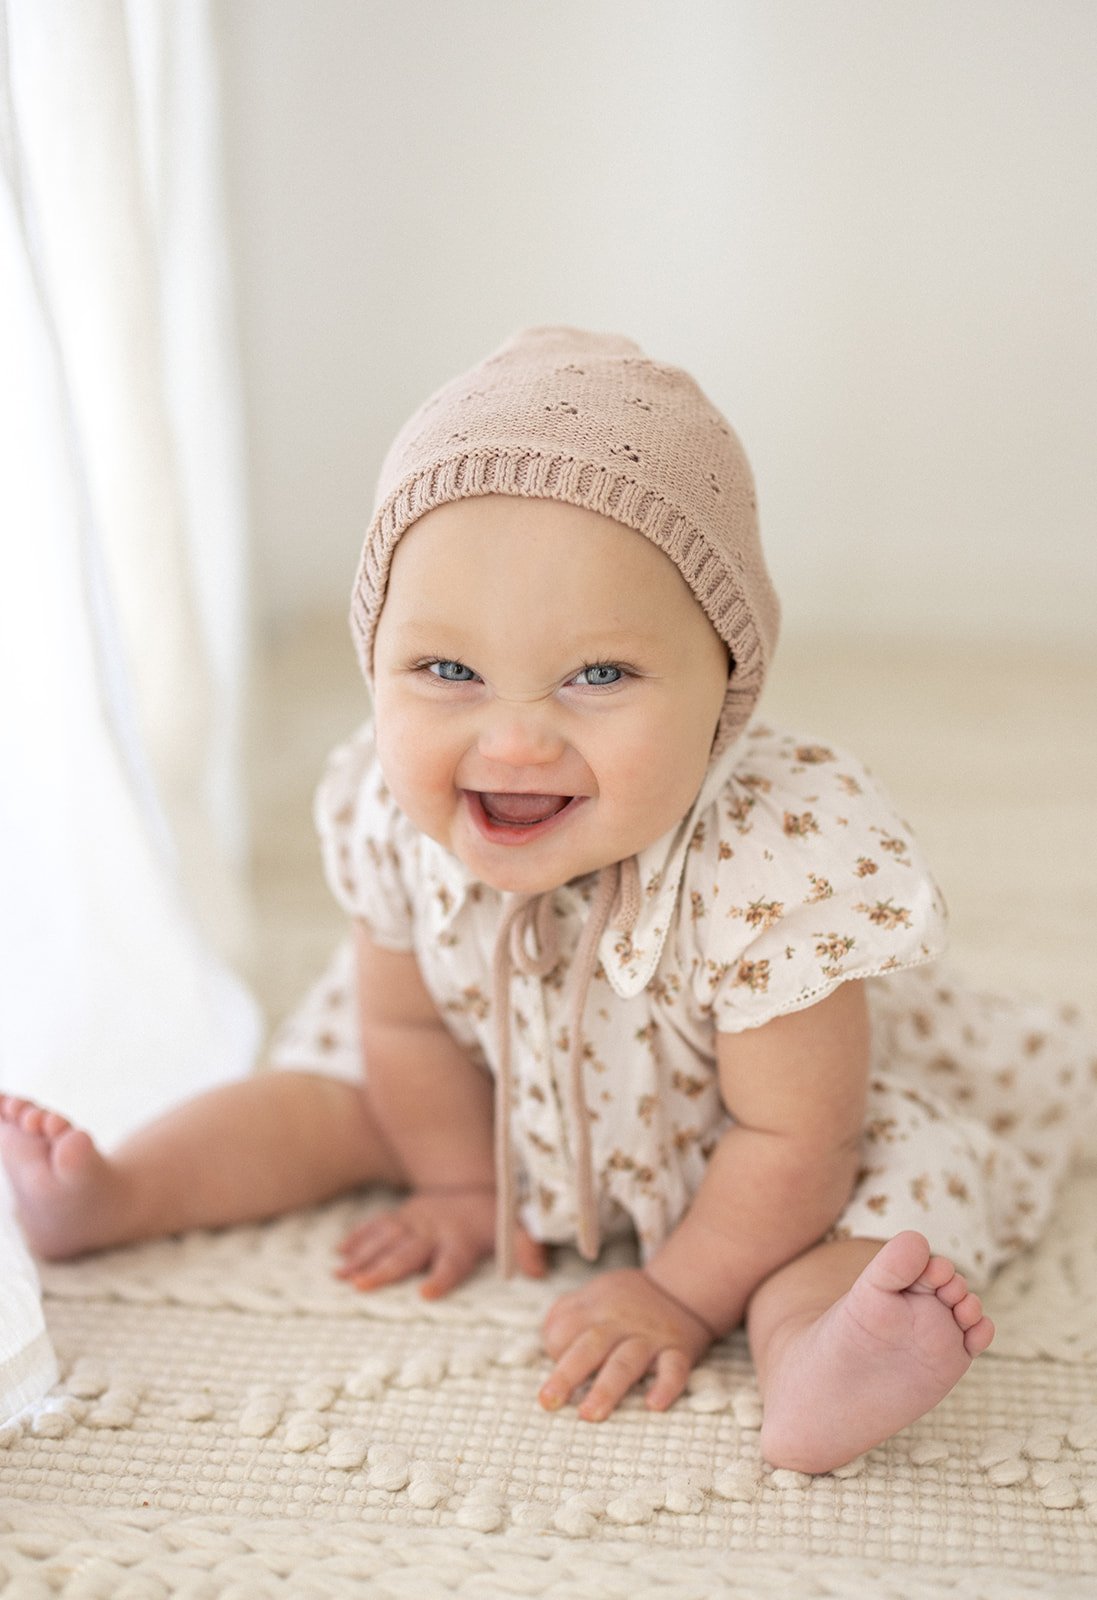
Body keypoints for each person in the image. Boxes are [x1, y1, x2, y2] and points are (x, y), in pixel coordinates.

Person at [3, 326, 1094, 1475]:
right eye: (447, 671)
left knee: (876, 1206)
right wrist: (456, 1179)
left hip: (751, 1143)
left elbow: (796, 1137)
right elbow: (406, 1025)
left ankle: (819, 1353)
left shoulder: (774, 863)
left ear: (726, 682)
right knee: (325, 1090)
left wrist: (675, 1293)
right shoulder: (388, 813)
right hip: (484, 1071)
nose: (514, 737)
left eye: (599, 675)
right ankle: (121, 1192)